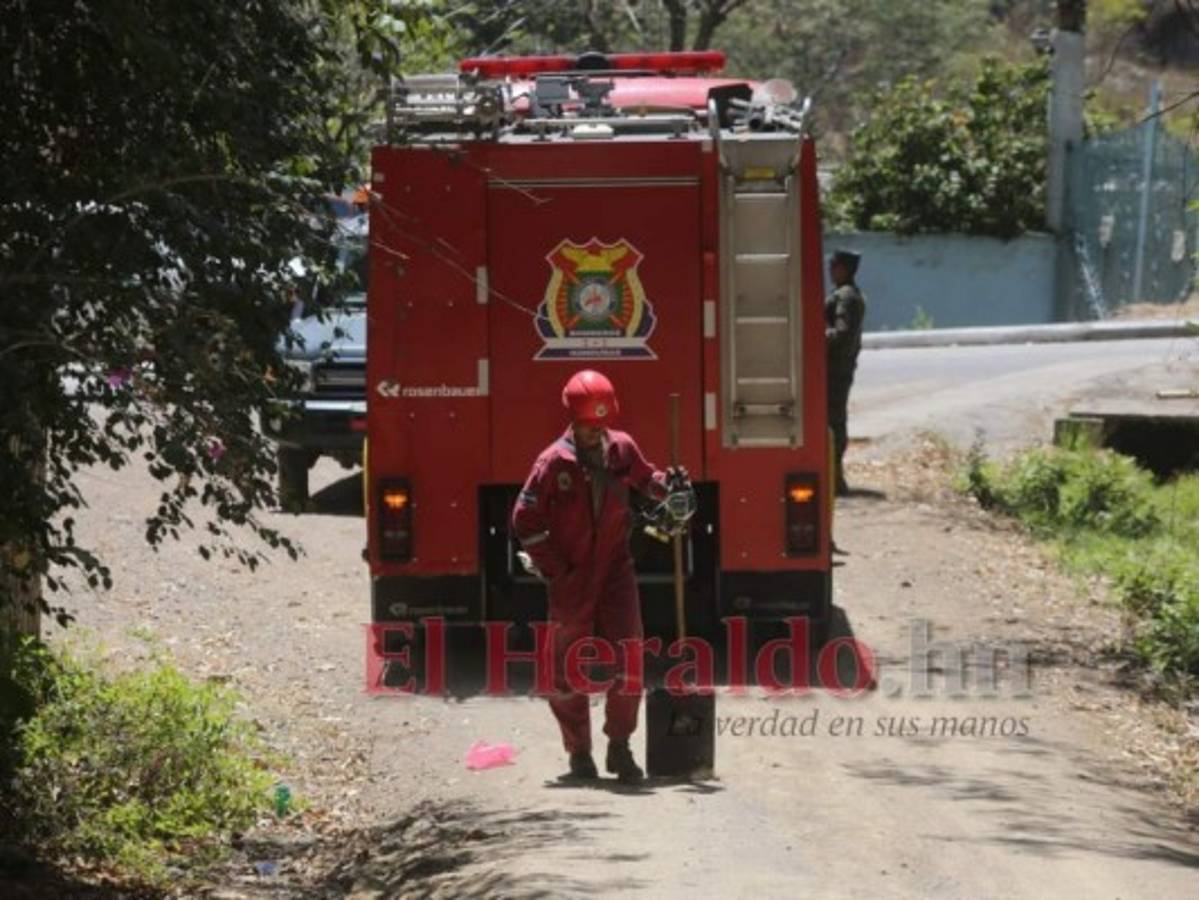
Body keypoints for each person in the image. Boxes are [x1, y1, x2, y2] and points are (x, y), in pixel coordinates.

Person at [511, 370, 687, 783]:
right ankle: (579, 755)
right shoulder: (552, 463)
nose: (595, 433)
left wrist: (672, 489)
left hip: (614, 570)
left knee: (630, 656)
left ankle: (619, 747)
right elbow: (524, 518)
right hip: (570, 576)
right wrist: (554, 568)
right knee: (565, 668)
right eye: (588, 426)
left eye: (600, 425)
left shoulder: (622, 449)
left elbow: (647, 481)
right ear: (572, 419)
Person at [825, 249, 866, 497]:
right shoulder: (848, 294)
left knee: (834, 420)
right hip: (839, 367)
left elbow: (842, 332)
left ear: (844, 268)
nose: (830, 270)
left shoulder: (847, 297)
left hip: (836, 368)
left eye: (833, 265)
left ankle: (836, 476)